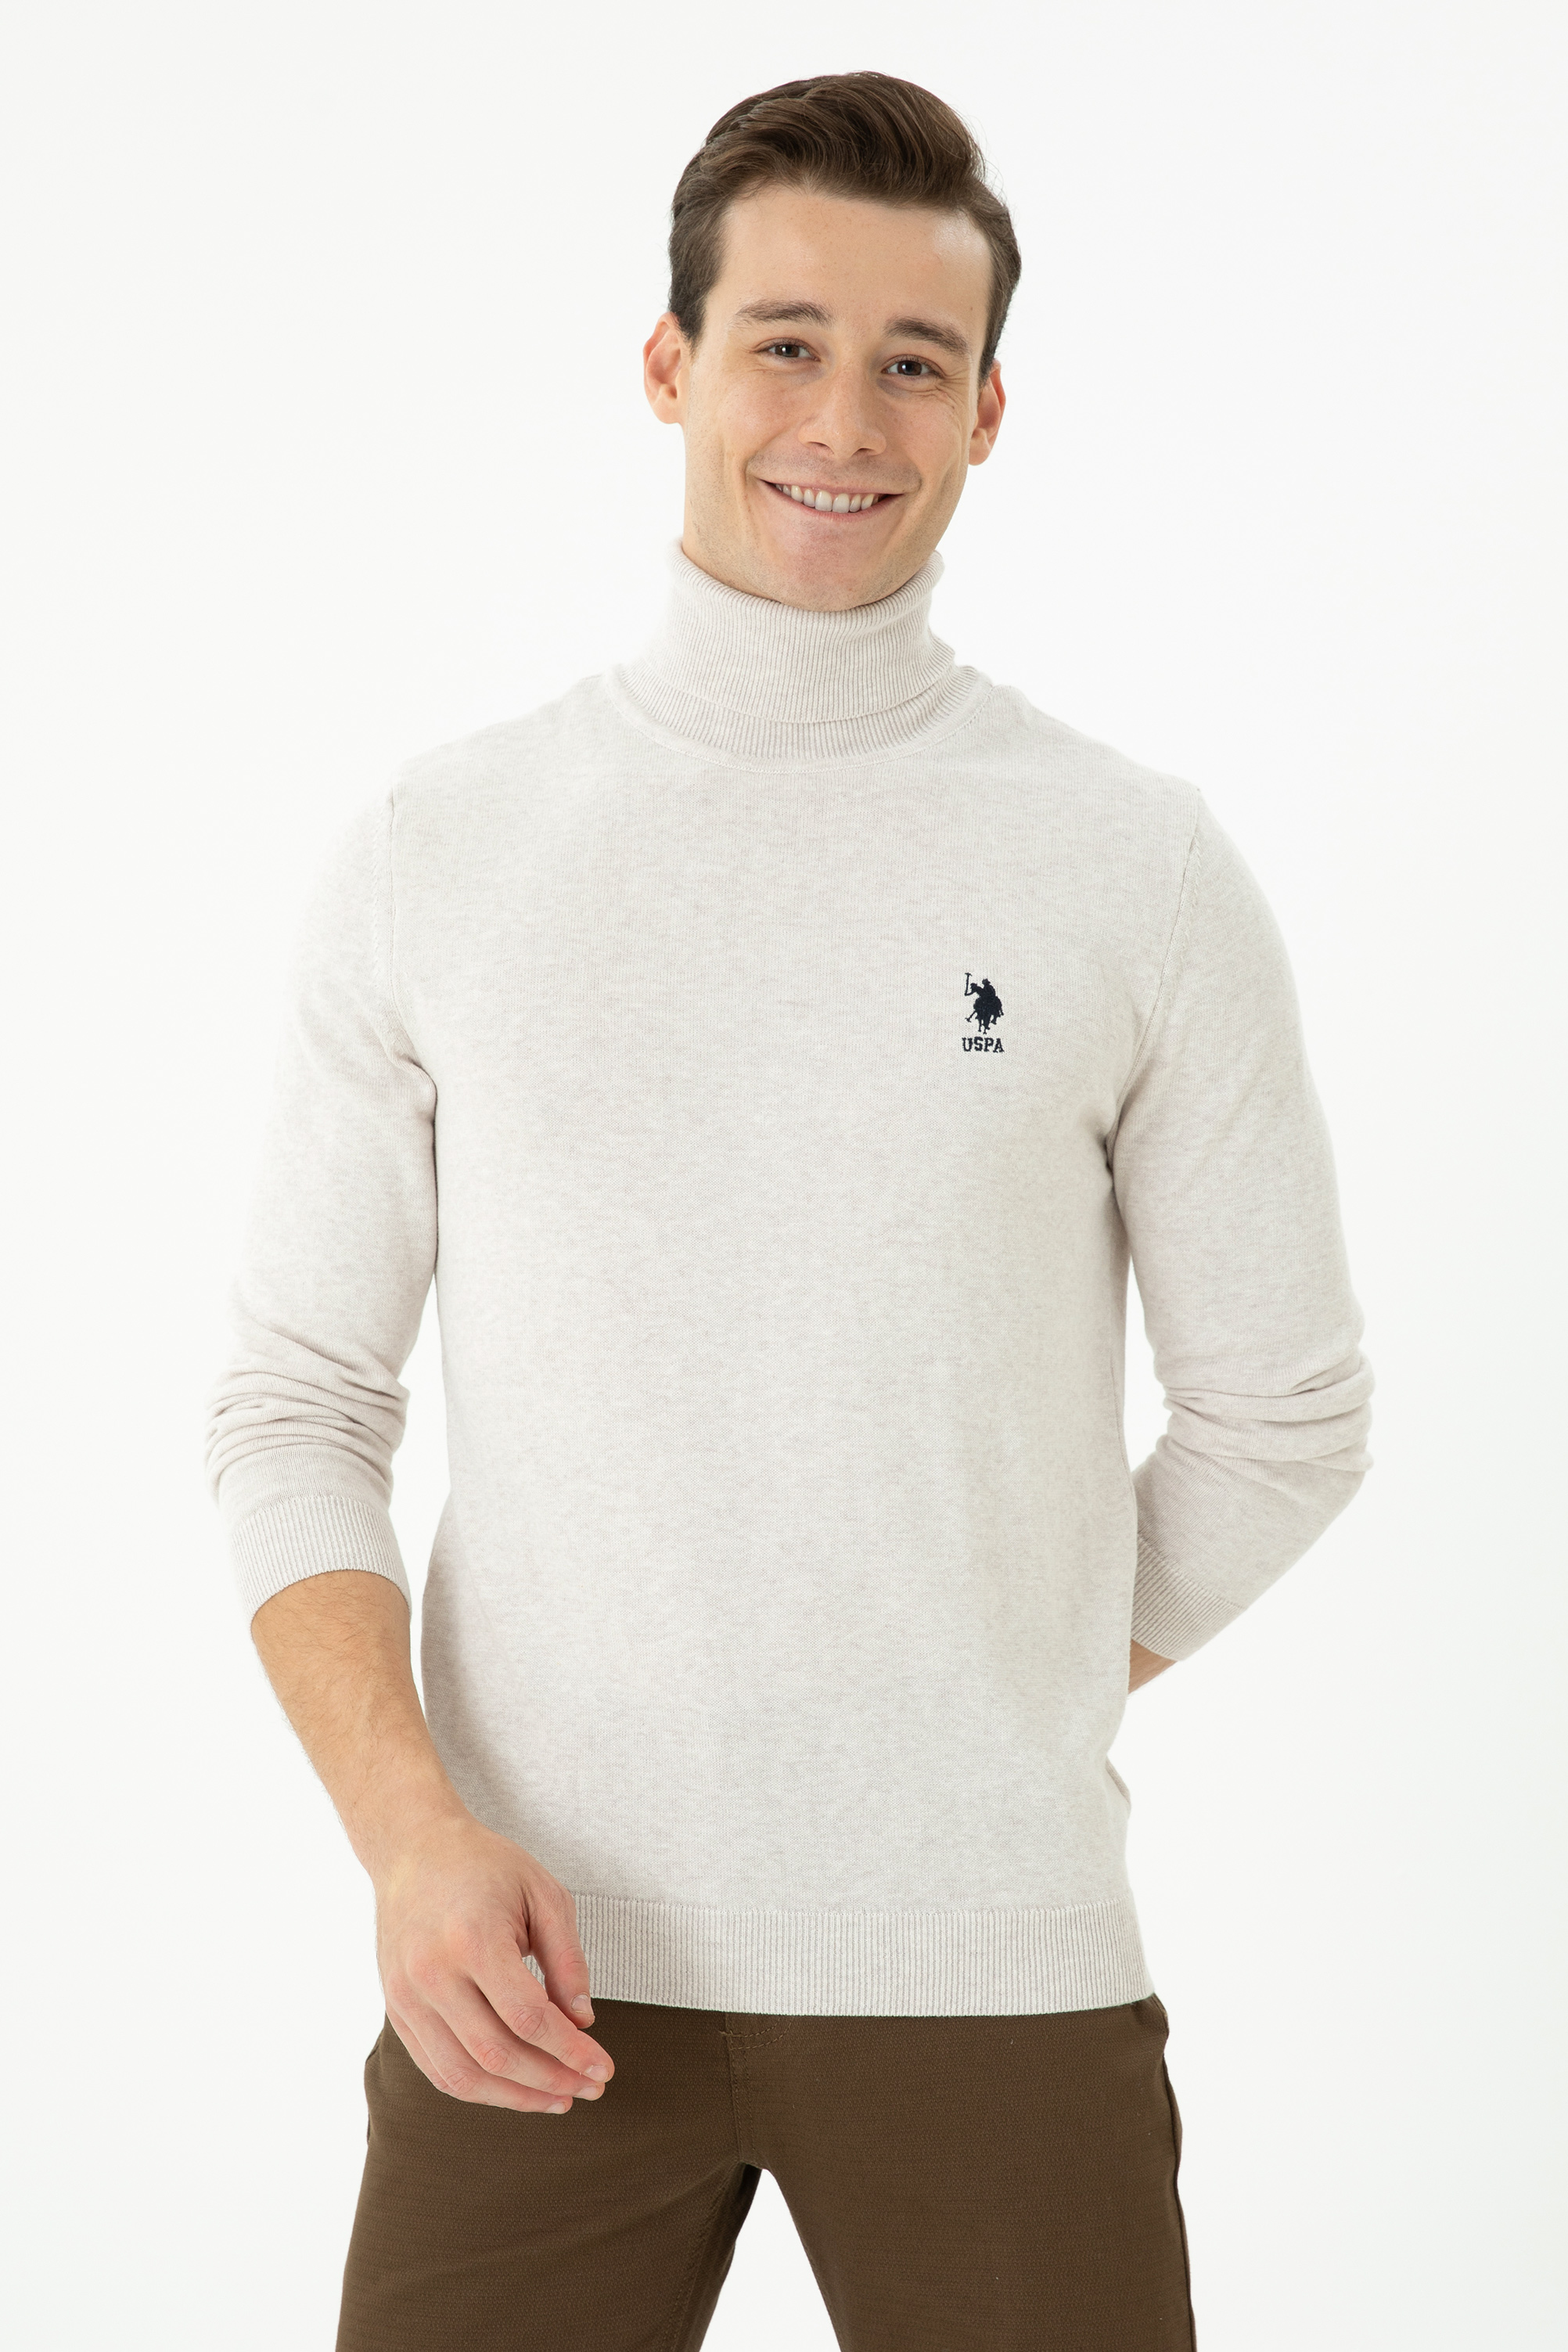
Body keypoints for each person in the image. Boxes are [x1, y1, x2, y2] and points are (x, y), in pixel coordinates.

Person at [207, 70, 1372, 2351]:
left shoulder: (1129, 865)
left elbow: (1287, 1419)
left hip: (990, 1965)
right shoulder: (447, 850)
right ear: (670, 366)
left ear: (986, 413)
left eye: (913, 361)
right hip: (526, 1969)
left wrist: (985, 1688)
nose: (844, 419)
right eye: (785, 342)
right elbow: (296, 1404)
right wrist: (409, 1840)